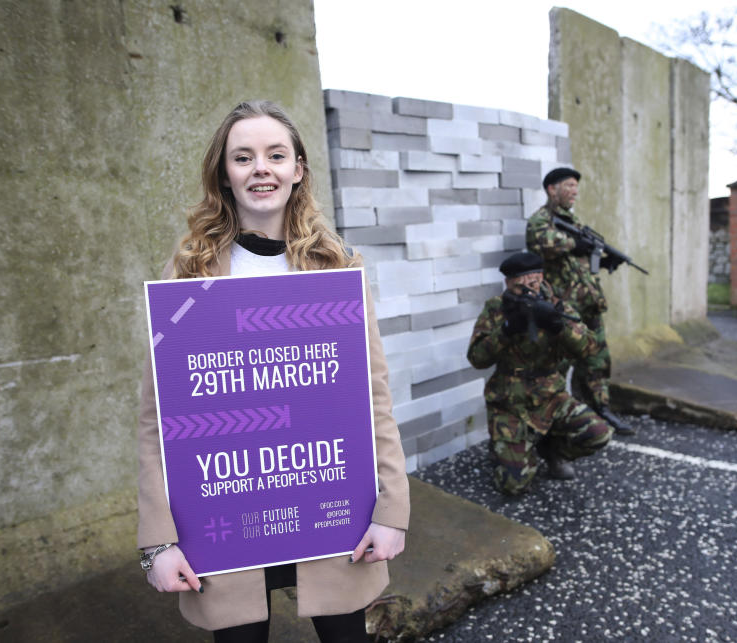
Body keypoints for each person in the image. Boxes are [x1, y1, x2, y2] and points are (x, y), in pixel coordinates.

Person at [136, 100, 409, 642]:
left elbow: (371, 396)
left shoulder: (336, 266)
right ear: (225, 174)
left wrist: (393, 509)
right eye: (244, 157)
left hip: (329, 505)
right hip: (224, 515)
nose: (261, 167)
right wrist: (159, 541)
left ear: (298, 169)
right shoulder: (189, 270)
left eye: (275, 155)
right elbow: (158, 415)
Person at [466, 251, 613, 495]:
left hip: (550, 398)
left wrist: (559, 326)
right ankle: (510, 449)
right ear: (508, 284)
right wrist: (506, 330)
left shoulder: (558, 306)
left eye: (532, 284)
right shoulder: (496, 308)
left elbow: (589, 348)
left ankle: (552, 451)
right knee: (514, 486)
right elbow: (476, 358)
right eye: (518, 286)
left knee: (598, 433)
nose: (526, 291)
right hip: (509, 402)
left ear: (542, 278)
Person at [526, 167, 636, 436]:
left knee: (598, 361)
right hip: (564, 309)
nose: (575, 191)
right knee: (558, 365)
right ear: (552, 189)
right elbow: (539, 242)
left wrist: (605, 258)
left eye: (576, 187)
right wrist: (576, 245)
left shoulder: (574, 223)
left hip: (588, 305)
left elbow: (582, 259)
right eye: (569, 186)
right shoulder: (542, 220)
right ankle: (550, 420)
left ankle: (600, 408)